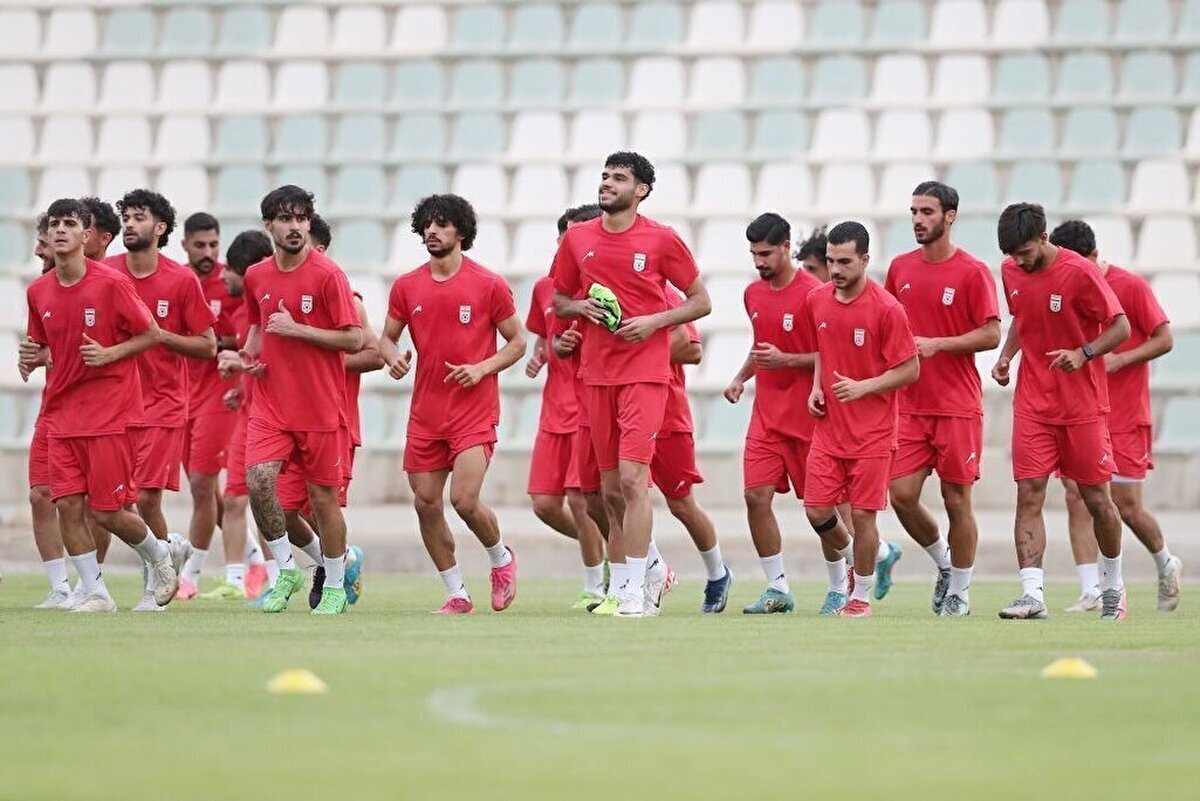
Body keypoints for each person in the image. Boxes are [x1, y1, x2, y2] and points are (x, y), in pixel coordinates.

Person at [552, 151, 712, 618]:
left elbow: (701, 301)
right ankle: (637, 579)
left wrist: (654, 323)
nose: (607, 183)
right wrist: (580, 309)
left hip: (645, 374)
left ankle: (637, 593)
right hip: (595, 376)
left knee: (631, 478)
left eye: (618, 178)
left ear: (640, 190)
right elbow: (559, 297)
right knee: (607, 491)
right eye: (604, 176)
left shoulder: (662, 239)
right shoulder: (578, 239)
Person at [21, 198, 186, 612]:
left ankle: (160, 554)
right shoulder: (37, 291)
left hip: (111, 414)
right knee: (67, 505)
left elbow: (151, 333)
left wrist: (111, 354)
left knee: (109, 511)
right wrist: (30, 355)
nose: (60, 230)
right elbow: (45, 344)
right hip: (62, 414)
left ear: (84, 235)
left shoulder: (110, 284)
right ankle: (95, 592)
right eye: (54, 223)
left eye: (69, 223)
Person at [380, 194, 526, 614]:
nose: (432, 231)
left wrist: (482, 368)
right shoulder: (407, 285)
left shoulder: (489, 284)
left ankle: (501, 557)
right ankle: (457, 593)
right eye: (426, 224)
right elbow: (387, 337)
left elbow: (518, 342)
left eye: (442, 224)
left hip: (473, 412)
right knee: (426, 503)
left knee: (463, 500)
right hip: (426, 413)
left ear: (461, 232)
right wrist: (394, 357)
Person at [992, 203, 1131, 620]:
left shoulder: (1079, 272)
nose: (1019, 261)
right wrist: (1006, 357)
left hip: (1082, 406)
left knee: (1095, 499)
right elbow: (1022, 317)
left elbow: (1120, 327)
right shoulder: (1011, 270)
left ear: (1044, 237)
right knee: (1029, 491)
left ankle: (1114, 587)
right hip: (1034, 404)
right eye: (1012, 254)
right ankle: (1032, 595)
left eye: (1025, 252)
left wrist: (1083, 353)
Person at [235, 185, 363, 615]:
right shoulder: (256, 275)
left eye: (302, 218)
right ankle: (286, 569)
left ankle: (333, 582)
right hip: (272, 405)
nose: (295, 227)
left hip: (321, 407)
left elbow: (354, 337)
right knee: (258, 482)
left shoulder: (329, 275)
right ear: (268, 225)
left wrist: (299, 330)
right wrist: (248, 357)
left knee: (323, 499)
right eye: (286, 219)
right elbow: (258, 328)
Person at [1047, 220, 1182, 613]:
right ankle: (1092, 588)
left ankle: (1164, 561)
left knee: (1124, 504)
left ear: (1093, 257)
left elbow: (1165, 338)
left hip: (1124, 413)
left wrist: (1121, 359)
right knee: (1075, 495)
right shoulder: (1065, 287)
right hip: (1084, 411)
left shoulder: (1130, 286)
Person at [884, 182, 1001, 616]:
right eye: (913, 210)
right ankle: (946, 564)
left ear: (949, 216)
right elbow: (887, 326)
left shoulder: (971, 272)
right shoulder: (899, 268)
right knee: (900, 494)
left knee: (957, 500)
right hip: (909, 405)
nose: (917, 219)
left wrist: (938, 344)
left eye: (927, 211)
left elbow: (992, 333)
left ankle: (960, 594)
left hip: (956, 405)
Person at [726, 212, 850, 615]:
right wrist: (741, 376)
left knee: (821, 509)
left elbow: (830, 354)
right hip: (766, 415)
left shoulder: (816, 293)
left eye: (766, 254)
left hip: (809, 418)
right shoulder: (753, 294)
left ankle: (840, 586)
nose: (759, 262)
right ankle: (777, 587)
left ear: (785, 248)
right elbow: (764, 346)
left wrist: (786, 360)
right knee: (754, 496)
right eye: (753, 255)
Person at [105, 190, 217, 610]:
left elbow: (207, 346)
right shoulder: (106, 273)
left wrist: (159, 335)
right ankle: (168, 550)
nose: (130, 224)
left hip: (164, 402)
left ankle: (155, 585)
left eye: (139, 217)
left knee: (146, 498)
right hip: (115, 405)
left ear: (160, 228)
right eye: (126, 217)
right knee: (117, 501)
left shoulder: (181, 280)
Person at [802, 221, 920, 618]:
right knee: (817, 510)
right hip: (829, 429)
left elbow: (910, 369)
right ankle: (869, 558)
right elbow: (822, 347)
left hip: (873, 432)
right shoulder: (817, 299)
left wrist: (865, 387)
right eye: (831, 261)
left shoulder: (887, 309)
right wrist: (817, 387)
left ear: (865, 260)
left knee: (864, 515)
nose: (835, 270)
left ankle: (861, 598)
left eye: (845, 262)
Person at [276, 214, 375, 609]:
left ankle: (330, 572)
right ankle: (338, 559)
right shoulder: (277, 294)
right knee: (279, 509)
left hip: (333, 420)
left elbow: (371, 353)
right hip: (288, 420)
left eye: (313, 248)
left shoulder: (346, 298)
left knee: (321, 506)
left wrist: (322, 362)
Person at [524, 205, 608, 609]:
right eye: (564, 237)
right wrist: (547, 351)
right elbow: (547, 337)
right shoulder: (546, 289)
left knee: (580, 498)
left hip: (587, 407)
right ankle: (625, 550)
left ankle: (597, 584)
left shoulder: (604, 286)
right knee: (543, 504)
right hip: (552, 410)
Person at [653, 288, 731, 612]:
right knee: (615, 495)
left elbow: (693, 349)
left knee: (682, 505)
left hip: (668, 415)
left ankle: (718, 574)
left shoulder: (667, 295)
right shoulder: (601, 293)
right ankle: (649, 570)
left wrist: (638, 349)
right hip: (622, 414)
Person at [216, 230, 277, 601]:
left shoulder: (271, 308)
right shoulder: (242, 313)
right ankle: (236, 579)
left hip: (271, 416)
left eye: (232, 269)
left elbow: (278, 362)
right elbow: (253, 360)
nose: (225, 276)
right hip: (246, 413)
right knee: (235, 498)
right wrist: (239, 385)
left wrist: (242, 363)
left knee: (267, 500)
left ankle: (278, 577)